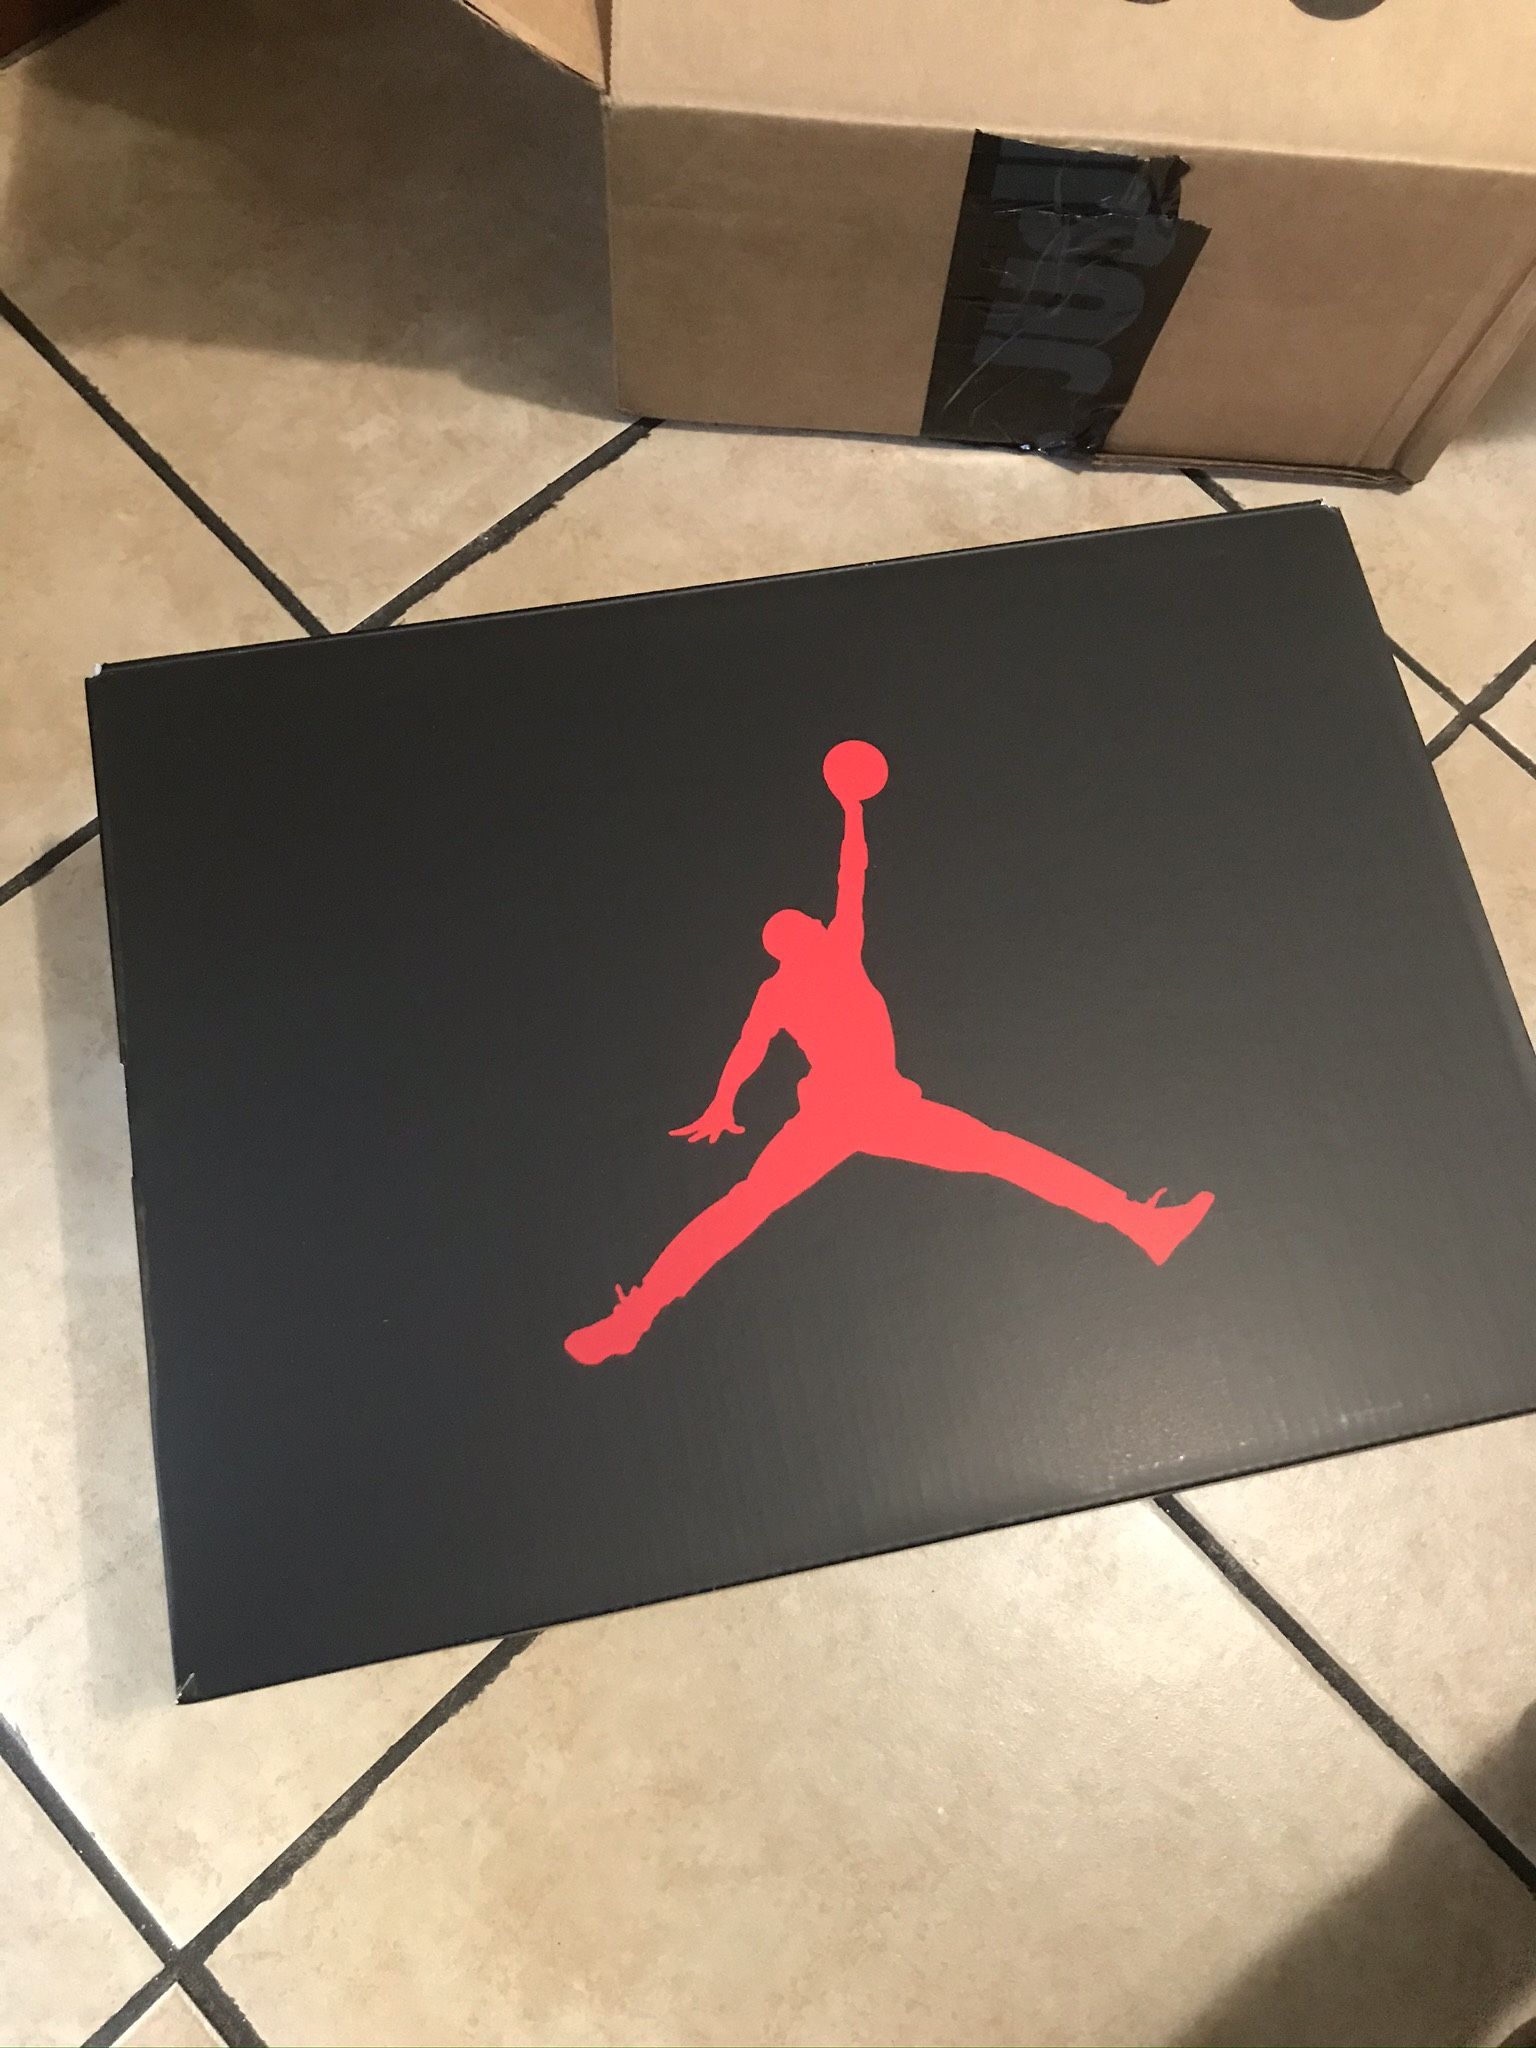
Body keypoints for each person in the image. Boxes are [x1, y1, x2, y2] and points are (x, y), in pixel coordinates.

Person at [565, 741, 1213, 1365]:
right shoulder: (833, 954)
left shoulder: (782, 986)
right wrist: (852, 809)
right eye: (806, 923)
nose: (816, 922)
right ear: (799, 938)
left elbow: (747, 1051)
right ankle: (1137, 1222)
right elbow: (850, 876)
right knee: (1002, 1156)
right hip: (866, 1108)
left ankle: (633, 1318)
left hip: (845, 1112)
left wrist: (723, 1102)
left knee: (742, 1208)